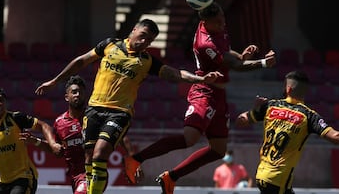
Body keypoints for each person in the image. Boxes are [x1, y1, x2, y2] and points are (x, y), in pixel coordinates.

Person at [34, 18, 223, 194]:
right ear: (133, 31)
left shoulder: (147, 61)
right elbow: (81, 61)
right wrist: (55, 81)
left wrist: (200, 78)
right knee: (89, 158)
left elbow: (175, 74)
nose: (144, 42)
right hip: (94, 109)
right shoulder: (110, 45)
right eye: (143, 36)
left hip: (119, 113)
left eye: (149, 41)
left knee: (100, 154)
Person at [123, 2, 276, 194]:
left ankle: (171, 177)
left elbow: (228, 53)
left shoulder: (215, 24)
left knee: (219, 150)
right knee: (190, 138)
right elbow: (235, 65)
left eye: (223, 19)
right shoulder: (205, 44)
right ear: (205, 22)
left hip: (219, 96)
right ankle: (136, 158)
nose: (222, 24)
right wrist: (262, 63)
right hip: (204, 92)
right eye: (218, 22)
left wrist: (241, 55)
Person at [235, 70, 339, 194]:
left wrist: (255, 109)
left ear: (288, 89)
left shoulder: (271, 106)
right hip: (277, 180)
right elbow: (338, 138)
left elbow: (239, 121)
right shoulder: (308, 116)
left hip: (262, 175)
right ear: (305, 92)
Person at [22, 75, 143, 193]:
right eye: (74, 92)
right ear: (66, 97)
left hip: (93, 173)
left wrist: (134, 160)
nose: (78, 95)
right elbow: (58, 151)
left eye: (80, 92)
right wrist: (36, 142)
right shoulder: (60, 123)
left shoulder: (96, 117)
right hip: (75, 177)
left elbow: (122, 137)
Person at [0, 87, 58, 194]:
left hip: (24, 177)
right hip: (4, 181)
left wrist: (53, 143)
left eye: (2, 100)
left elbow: (43, 125)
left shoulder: (15, 118)